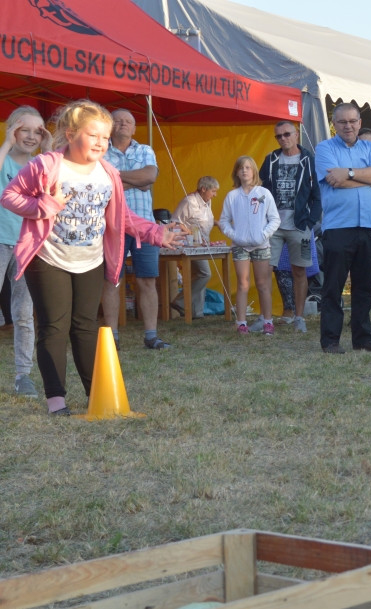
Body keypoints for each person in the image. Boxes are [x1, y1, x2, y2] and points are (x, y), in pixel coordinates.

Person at [1, 100, 185, 415]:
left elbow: (122, 216)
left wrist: (157, 233)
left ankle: (94, 395)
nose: (101, 142)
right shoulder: (47, 165)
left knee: (85, 326)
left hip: (90, 259)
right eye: (93, 135)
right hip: (48, 258)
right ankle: (56, 400)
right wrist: (45, 206)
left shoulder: (108, 172)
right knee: (54, 326)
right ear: (71, 134)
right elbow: (10, 196)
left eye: (105, 136)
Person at [315, 102, 371, 353]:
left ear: (359, 122)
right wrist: (368, 181)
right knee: (333, 286)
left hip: (368, 225)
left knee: (365, 286)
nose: (348, 126)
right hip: (338, 226)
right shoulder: (324, 148)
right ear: (334, 124)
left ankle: (363, 339)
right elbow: (336, 182)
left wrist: (350, 173)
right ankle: (331, 340)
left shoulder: (370, 147)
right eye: (343, 122)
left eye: (353, 121)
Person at [99, 109, 169, 350]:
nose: (123, 124)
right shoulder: (100, 151)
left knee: (148, 280)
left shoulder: (145, 149)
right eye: (118, 121)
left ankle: (151, 336)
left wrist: (115, 178)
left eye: (128, 121)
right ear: (110, 126)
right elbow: (101, 182)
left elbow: (150, 176)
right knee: (111, 281)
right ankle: (112, 339)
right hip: (112, 226)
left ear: (134, 127)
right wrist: (134, 181)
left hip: (145, 226)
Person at [0, 106, 51, 398]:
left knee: (23, 313)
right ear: (12, 131)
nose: (31, 136)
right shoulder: (4, 158)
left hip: (27, 245)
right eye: (24, 130)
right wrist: (6, 143)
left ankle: (23, 376)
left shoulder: (41, 164)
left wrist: (47, 149)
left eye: (38, 131)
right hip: (0, 240)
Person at [259, 120, 321, 334]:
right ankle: (265, 318)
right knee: (264, 270)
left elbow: (317, 196)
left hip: (300, 226)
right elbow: (262, 191)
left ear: (296, 135)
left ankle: (299, 317)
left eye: (287, 134)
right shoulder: (271, 160)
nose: (283, 139)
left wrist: (310, 223)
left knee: (300, 272)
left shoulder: (309, 160)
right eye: (279, 136)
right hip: (273, 226)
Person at [220, 156, 280, 335]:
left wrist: (263, 234)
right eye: (241, 168)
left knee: (263, 284)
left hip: (261, 245)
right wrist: (235, 235)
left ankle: (268, 321)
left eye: (248, 167)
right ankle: (241, 323)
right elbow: (223, 221)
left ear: (254, 171)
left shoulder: (264, 193)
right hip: (240, 246)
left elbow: (275, 219)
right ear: (236, 172)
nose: (245, 171)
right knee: (242, 284)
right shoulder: (232, 196)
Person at [169, 176, 218, 318]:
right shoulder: (189, 201)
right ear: (204, 189)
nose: (215, 195)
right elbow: (175, 221)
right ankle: (180, 301)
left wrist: (217, 223)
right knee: (205, 274)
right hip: (190, 244)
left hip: (202, 244)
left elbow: (202, 221)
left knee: (198, 275)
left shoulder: (206, 202)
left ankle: (197, 313)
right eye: (213, 191)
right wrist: (190, 232)